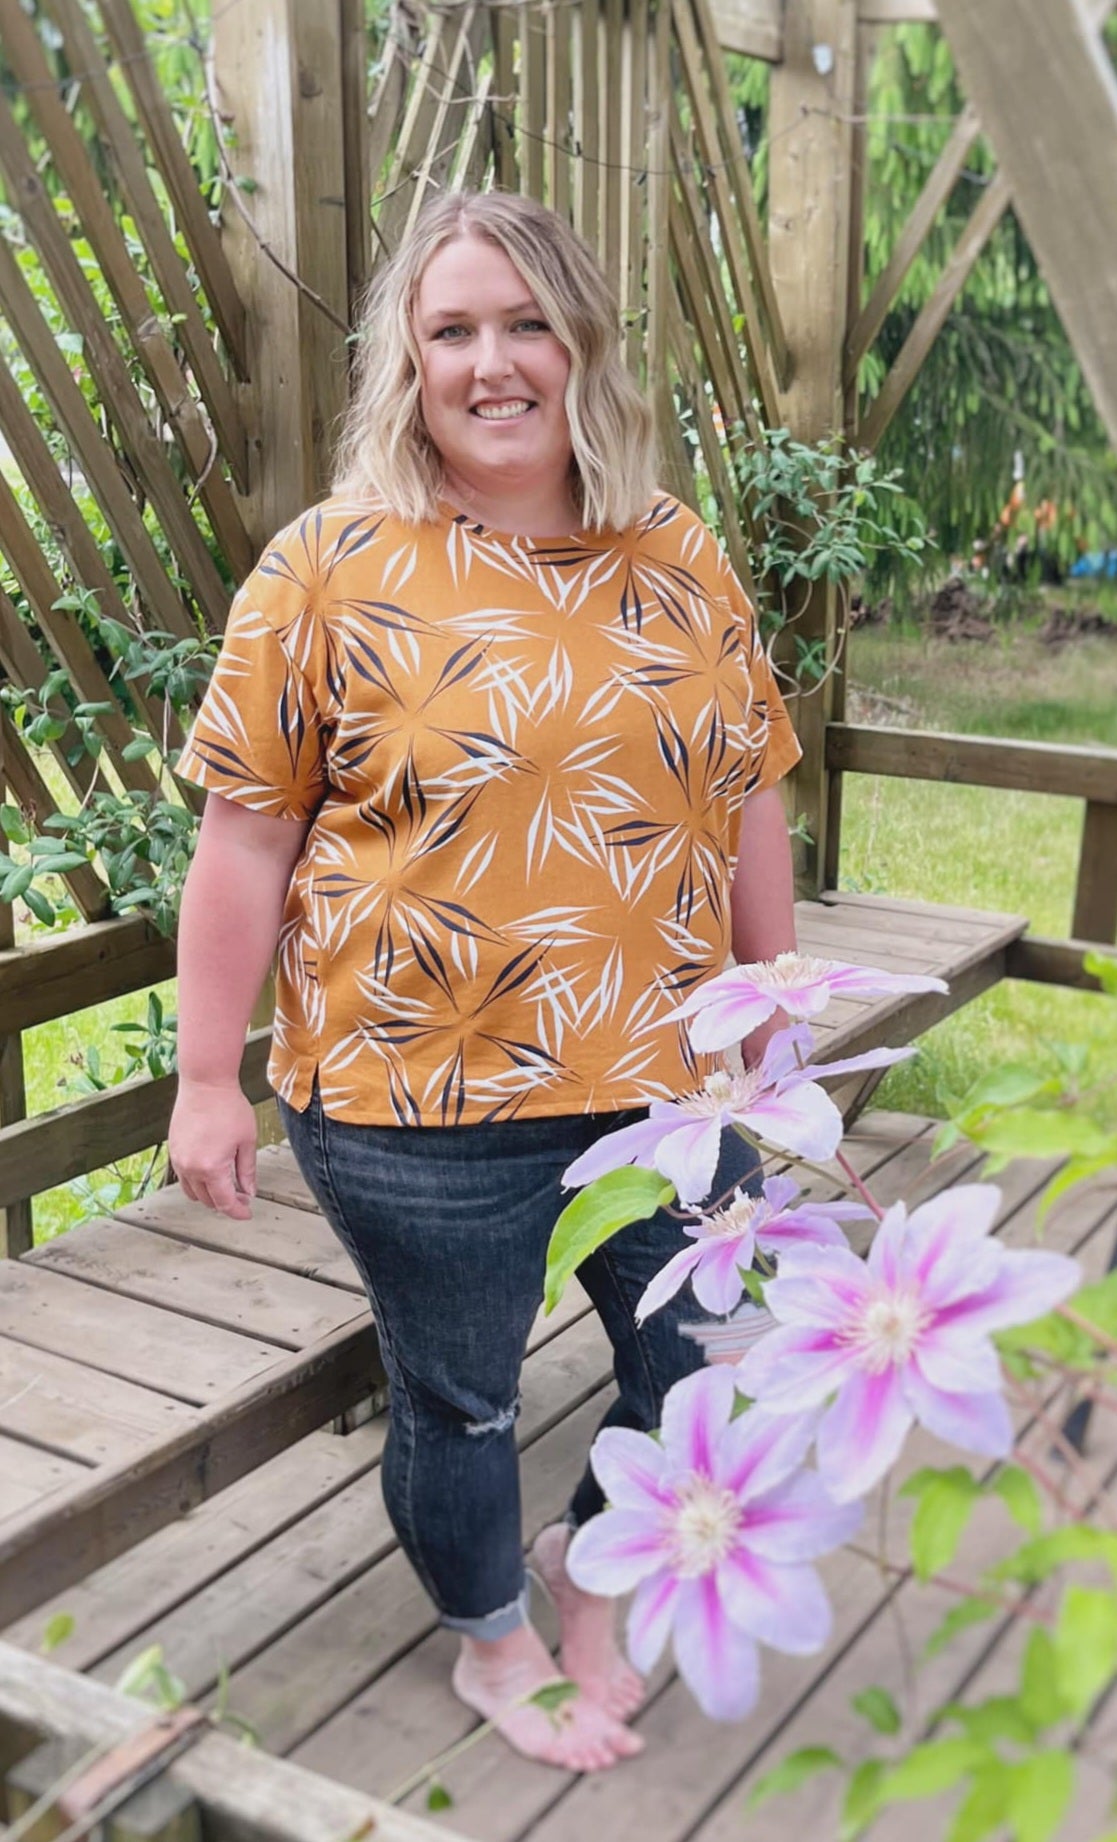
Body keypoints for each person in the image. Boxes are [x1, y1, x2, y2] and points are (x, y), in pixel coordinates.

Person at [169, 189, 801, 1774]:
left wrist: (773, 1016)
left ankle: (593, 1560)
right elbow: (245, 837)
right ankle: (491, 1639)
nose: (491, 361)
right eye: (451, 329)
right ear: (407, 359)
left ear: (582, 344)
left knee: (706, 1357)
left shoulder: (674, 551)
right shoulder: (328, 566)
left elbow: (748, 787)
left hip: (667, 1078)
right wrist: (203, 1075)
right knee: (461, 1403)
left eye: (526, 323)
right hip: (416, 1102)